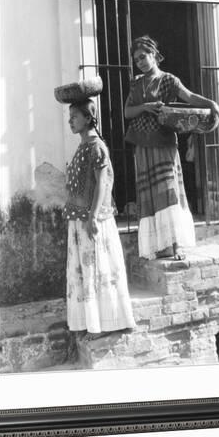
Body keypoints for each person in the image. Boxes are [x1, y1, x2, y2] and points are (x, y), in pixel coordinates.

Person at [124, 35, 219, 261]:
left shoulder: (168, 80)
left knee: (169, 191)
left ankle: (176, 245)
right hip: (142, 145)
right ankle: (159, 246)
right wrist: (146, 106)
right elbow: (127, 112)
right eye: (136, 59)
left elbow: (189, 97)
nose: (139, 62)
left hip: (164, 142)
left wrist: (211, 104)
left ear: (154, 55)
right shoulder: (136, 83)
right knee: (149, 193)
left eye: (143, 57)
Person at [62, 99, 135, 339]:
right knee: (84, 271)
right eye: (70, 116)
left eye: (74, 116)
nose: (70, 120)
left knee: (97, 269)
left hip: (93, 221)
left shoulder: (96, 147)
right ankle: (89, 321)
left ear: (88, 118)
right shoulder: (84, 146)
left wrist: (93, 216)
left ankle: (104, 323)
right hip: (80, 218)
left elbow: (102, 182)